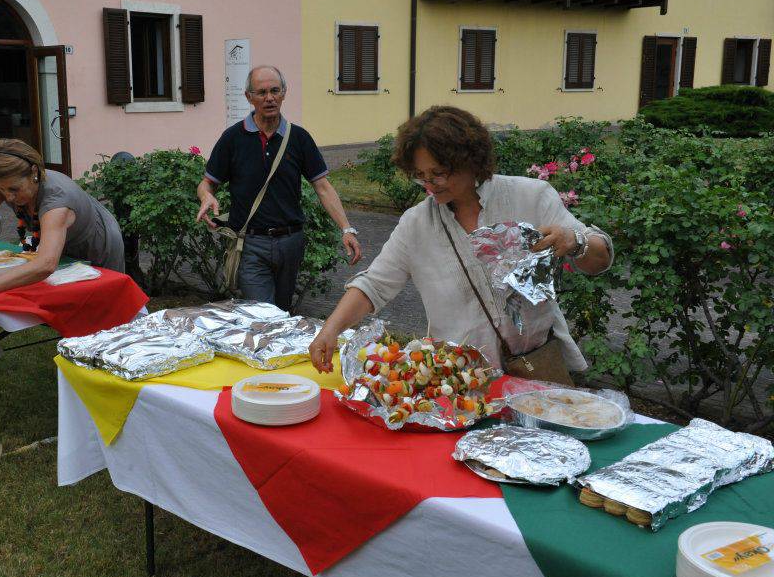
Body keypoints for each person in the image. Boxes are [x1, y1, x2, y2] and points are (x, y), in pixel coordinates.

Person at [309, 106, 613, 373]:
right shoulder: (417, 224)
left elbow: (600, 258)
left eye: (439, 173)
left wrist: (574, 242)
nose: (430, 185)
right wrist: (330, 329)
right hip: (460, 380)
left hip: (537, 366)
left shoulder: (530, 197)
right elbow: (374, 285)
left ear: (470, 161)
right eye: (421, 176)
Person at [196, 65, 362, 311]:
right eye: (262, 92)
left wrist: (346, 229)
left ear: (284, 93)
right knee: (263, 315)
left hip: (290, 243)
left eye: (275, 91)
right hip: (251, 244)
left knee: (282, 312)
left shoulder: (299, 138)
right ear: (249, 97)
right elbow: (207, 182)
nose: (269, 98)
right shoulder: (233, 138)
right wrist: (206, 196)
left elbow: (323, 187)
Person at [0, 138, 125, 309]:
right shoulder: (4, 181)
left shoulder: (57, 202)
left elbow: (46, 263)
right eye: (3, 190)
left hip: (97, 244)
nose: (8, 197)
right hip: (63, 244)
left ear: (34, 173)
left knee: (101, 310)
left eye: (14, 189)